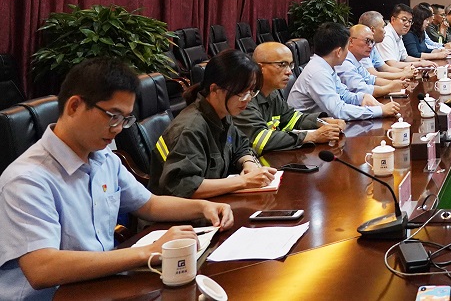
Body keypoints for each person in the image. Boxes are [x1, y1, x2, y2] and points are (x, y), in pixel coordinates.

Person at [0, 58, 234, 300]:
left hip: (99, 287)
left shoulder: (104, 158)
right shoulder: (27, 180)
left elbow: (149, 204)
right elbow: (42, 268)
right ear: (74, 106)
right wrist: (149, 252)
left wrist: (204, 207)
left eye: (125, 119)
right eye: (113, 116)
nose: (119, 128)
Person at [150, 50, 276, 198]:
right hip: (180, 210)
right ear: (214, 89)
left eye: (252, 91)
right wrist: (243, 181)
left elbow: (240, 145)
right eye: (241, 92)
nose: (247, 99)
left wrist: (249, 163)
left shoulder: (222, 113)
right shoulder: (191, 128)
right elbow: (181, 186)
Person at [232, 42, 345, 154]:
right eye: (282, 65)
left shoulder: (272, 93)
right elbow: (259, 140)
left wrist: (322, 122)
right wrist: (313, 136)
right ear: (260, 68)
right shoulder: (244, 98)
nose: (289, 72)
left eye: (290, 65)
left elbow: (292, 119)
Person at [288, 22, 401, 121]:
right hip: (305, 129)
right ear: (338, 52)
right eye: (347, 48)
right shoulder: (318, 72)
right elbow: (338, 111)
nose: (348, 53)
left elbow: (343, 95)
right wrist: (380, 111)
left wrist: (363, 97)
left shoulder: (326, 66)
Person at [337, 25, 409, 97]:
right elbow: (362, 90)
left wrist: (396, 83)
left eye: (372, 42)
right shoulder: (344, 63)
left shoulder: (356, 60)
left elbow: (371, 79)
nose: (370, 46)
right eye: (367, 41)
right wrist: (390, 88)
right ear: (351, 41)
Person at [357, 11, 417, 82]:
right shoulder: (361, 47)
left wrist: (407, 71)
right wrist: (403, 74)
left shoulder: (372, 46)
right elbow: (373, 74)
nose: (385, 31)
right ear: (372, 30)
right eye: (383, 27)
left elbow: (385, 68)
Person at [375, 4, 437, 68]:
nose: (407, 24)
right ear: (393, 19)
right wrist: (419, 64)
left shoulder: (398, 34)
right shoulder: (386, 36)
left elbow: (405, 58)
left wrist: (421, 60)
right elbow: (392, 64)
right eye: (404, 20)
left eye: (410, 21)